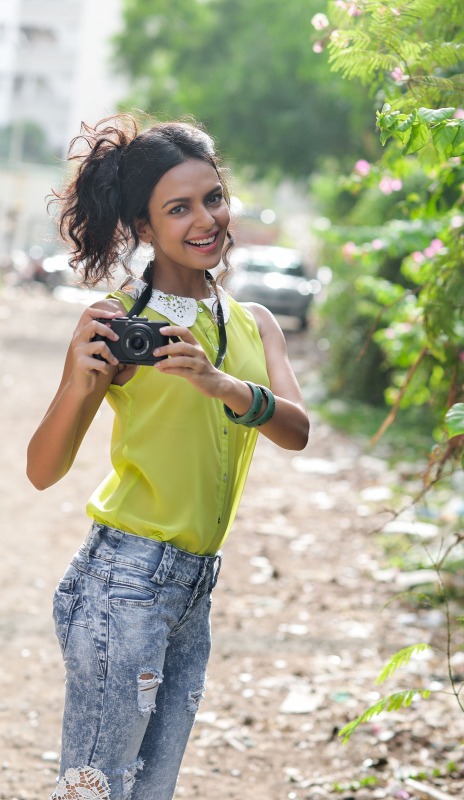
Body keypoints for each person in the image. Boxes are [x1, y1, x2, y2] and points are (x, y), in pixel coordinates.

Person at [27, 114, 309, 800]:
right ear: (144, 229)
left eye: (212, 197)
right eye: (177, 209)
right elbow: (42, 470)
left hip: (193, 589)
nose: (205, 219)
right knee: (96, 787)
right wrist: (76, 376)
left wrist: (220, 383)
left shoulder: (253, 323)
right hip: (123, 582)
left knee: (149, 788)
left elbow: (296, 430)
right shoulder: (118, 321)